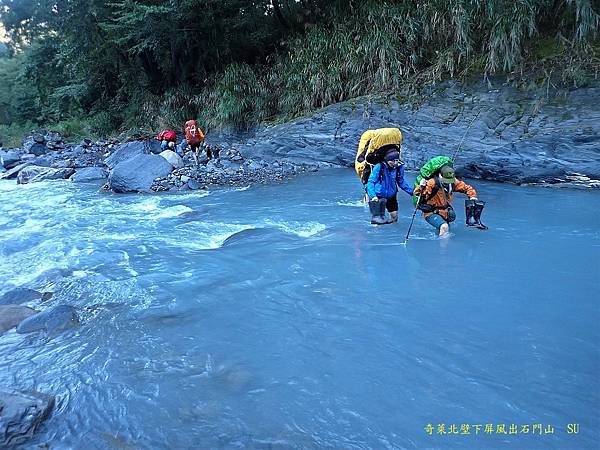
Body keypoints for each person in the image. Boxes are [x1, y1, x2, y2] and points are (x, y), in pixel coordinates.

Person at [413, 164, 486, 236]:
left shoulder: (453, 182)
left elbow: (467, 188)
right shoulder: (432, 183)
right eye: (445, 180)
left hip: (445, 211)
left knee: (444, 228)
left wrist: (473, 197)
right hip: (431, 212)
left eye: (449, 180)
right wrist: (421, 187)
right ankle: (442, 247)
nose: (447, 182)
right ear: (440, 175)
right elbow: (418, 194)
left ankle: (440, 242)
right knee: (444, 227)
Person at [365, 149, 414, 225]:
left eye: (396, 160)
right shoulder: (379, 167)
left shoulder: (399, 167)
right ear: (387, 160)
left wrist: (412, 192)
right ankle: (378, 234)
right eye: (392, 161)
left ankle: (392, 234)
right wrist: (373, 196)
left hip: (391, 195)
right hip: (379, 196)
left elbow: (401, 182)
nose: (395, 163)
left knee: (394, 218)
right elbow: (371, 182)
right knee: (378, 221)